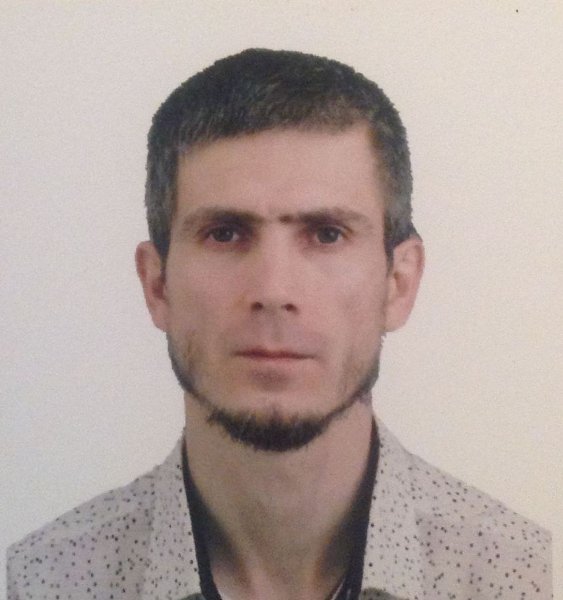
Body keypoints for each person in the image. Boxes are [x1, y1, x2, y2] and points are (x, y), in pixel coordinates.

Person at [7, 48, 551, 600]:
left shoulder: (527, 579)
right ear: (157, 285)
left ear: (399, 283)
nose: (273, 291)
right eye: (224, 233)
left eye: (327, 234)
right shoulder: (38, 583)